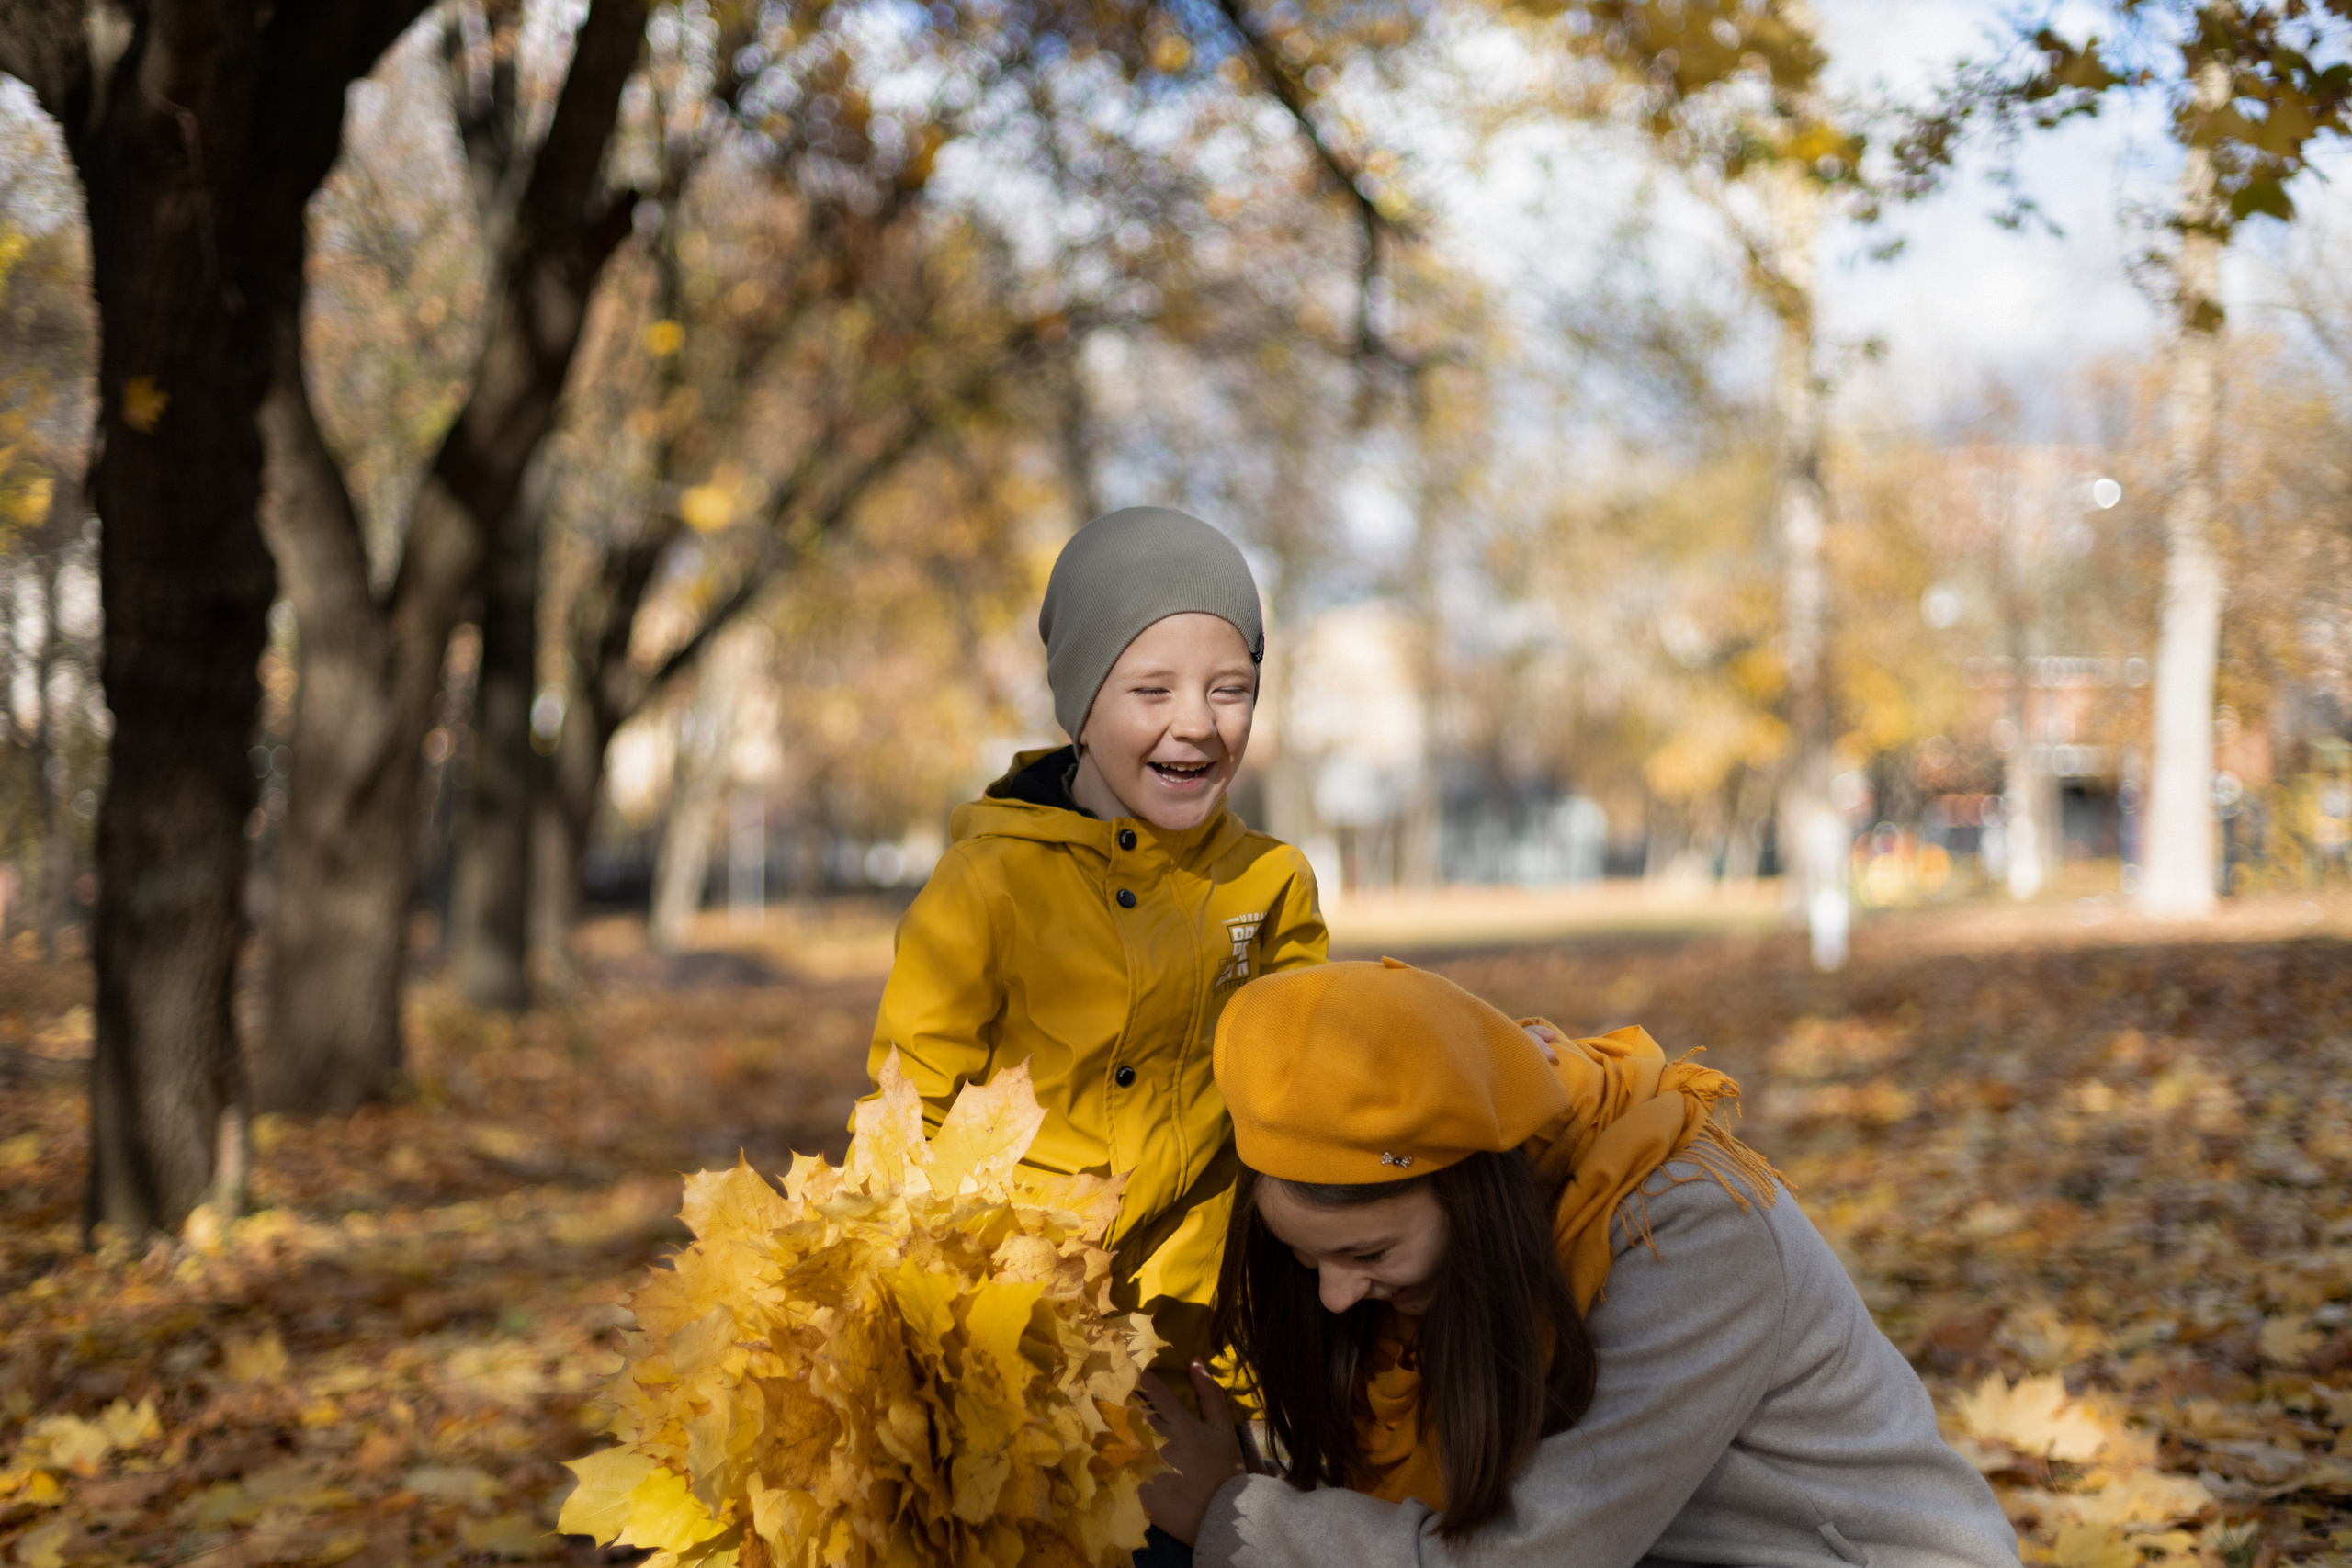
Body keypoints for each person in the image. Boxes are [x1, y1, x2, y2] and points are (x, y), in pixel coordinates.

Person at [1137, 958, 2020, 1568]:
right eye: (1307, 1258)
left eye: (1366, 1252)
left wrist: (1235, 1516)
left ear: (1475, 1195)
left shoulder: (1691, 1233)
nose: (1335, 1296)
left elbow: (1539, 1553)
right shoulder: (1434, 1271)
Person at [862, 506, 1328, 1376]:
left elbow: (1306, 1088)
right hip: (1024, 1329)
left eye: (1230, 689)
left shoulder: (1270, 886)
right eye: (1151, 690)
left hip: (1206, 1333)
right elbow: (907, 1109)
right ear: (1081, 704)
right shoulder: (990, 884)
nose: (1196, 721)